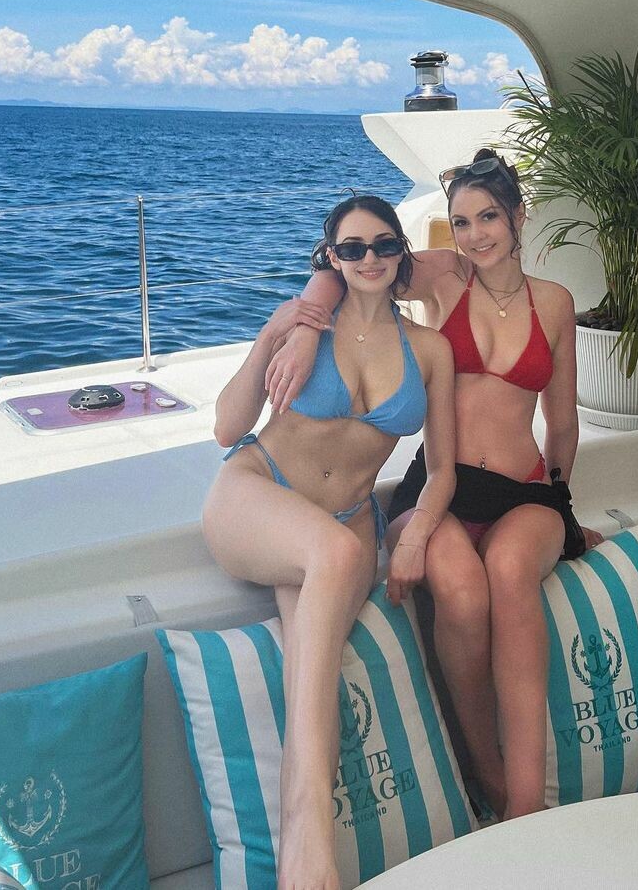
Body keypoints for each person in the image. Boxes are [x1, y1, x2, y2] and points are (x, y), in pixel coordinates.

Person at [266, 151, 600, 822]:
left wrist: (563, 505)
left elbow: (562, 422)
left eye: (489, 218)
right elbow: (351, 261)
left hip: (525, 490)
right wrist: (303, 329)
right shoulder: (444, 276)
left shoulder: (555, 303)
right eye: (462, 221)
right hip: (441, 487)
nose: (475, 235)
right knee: (462, 590)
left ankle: (527, 806)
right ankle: (486, 774)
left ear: (518, 217)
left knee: (510, 569)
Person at [203, 194, 456, 890]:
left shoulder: (430, 350)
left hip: (341, 522)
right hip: (258, 492)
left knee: (310, 656)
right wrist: (275, 334)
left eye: (383, 244)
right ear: (333, 258)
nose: (369, 258)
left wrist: (416, 534)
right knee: (339, 557)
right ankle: (310, 833)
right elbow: (226, 427)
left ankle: (301, 861)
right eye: (351, 248)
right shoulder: (305, 324)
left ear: (401, 251)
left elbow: (442, 470)